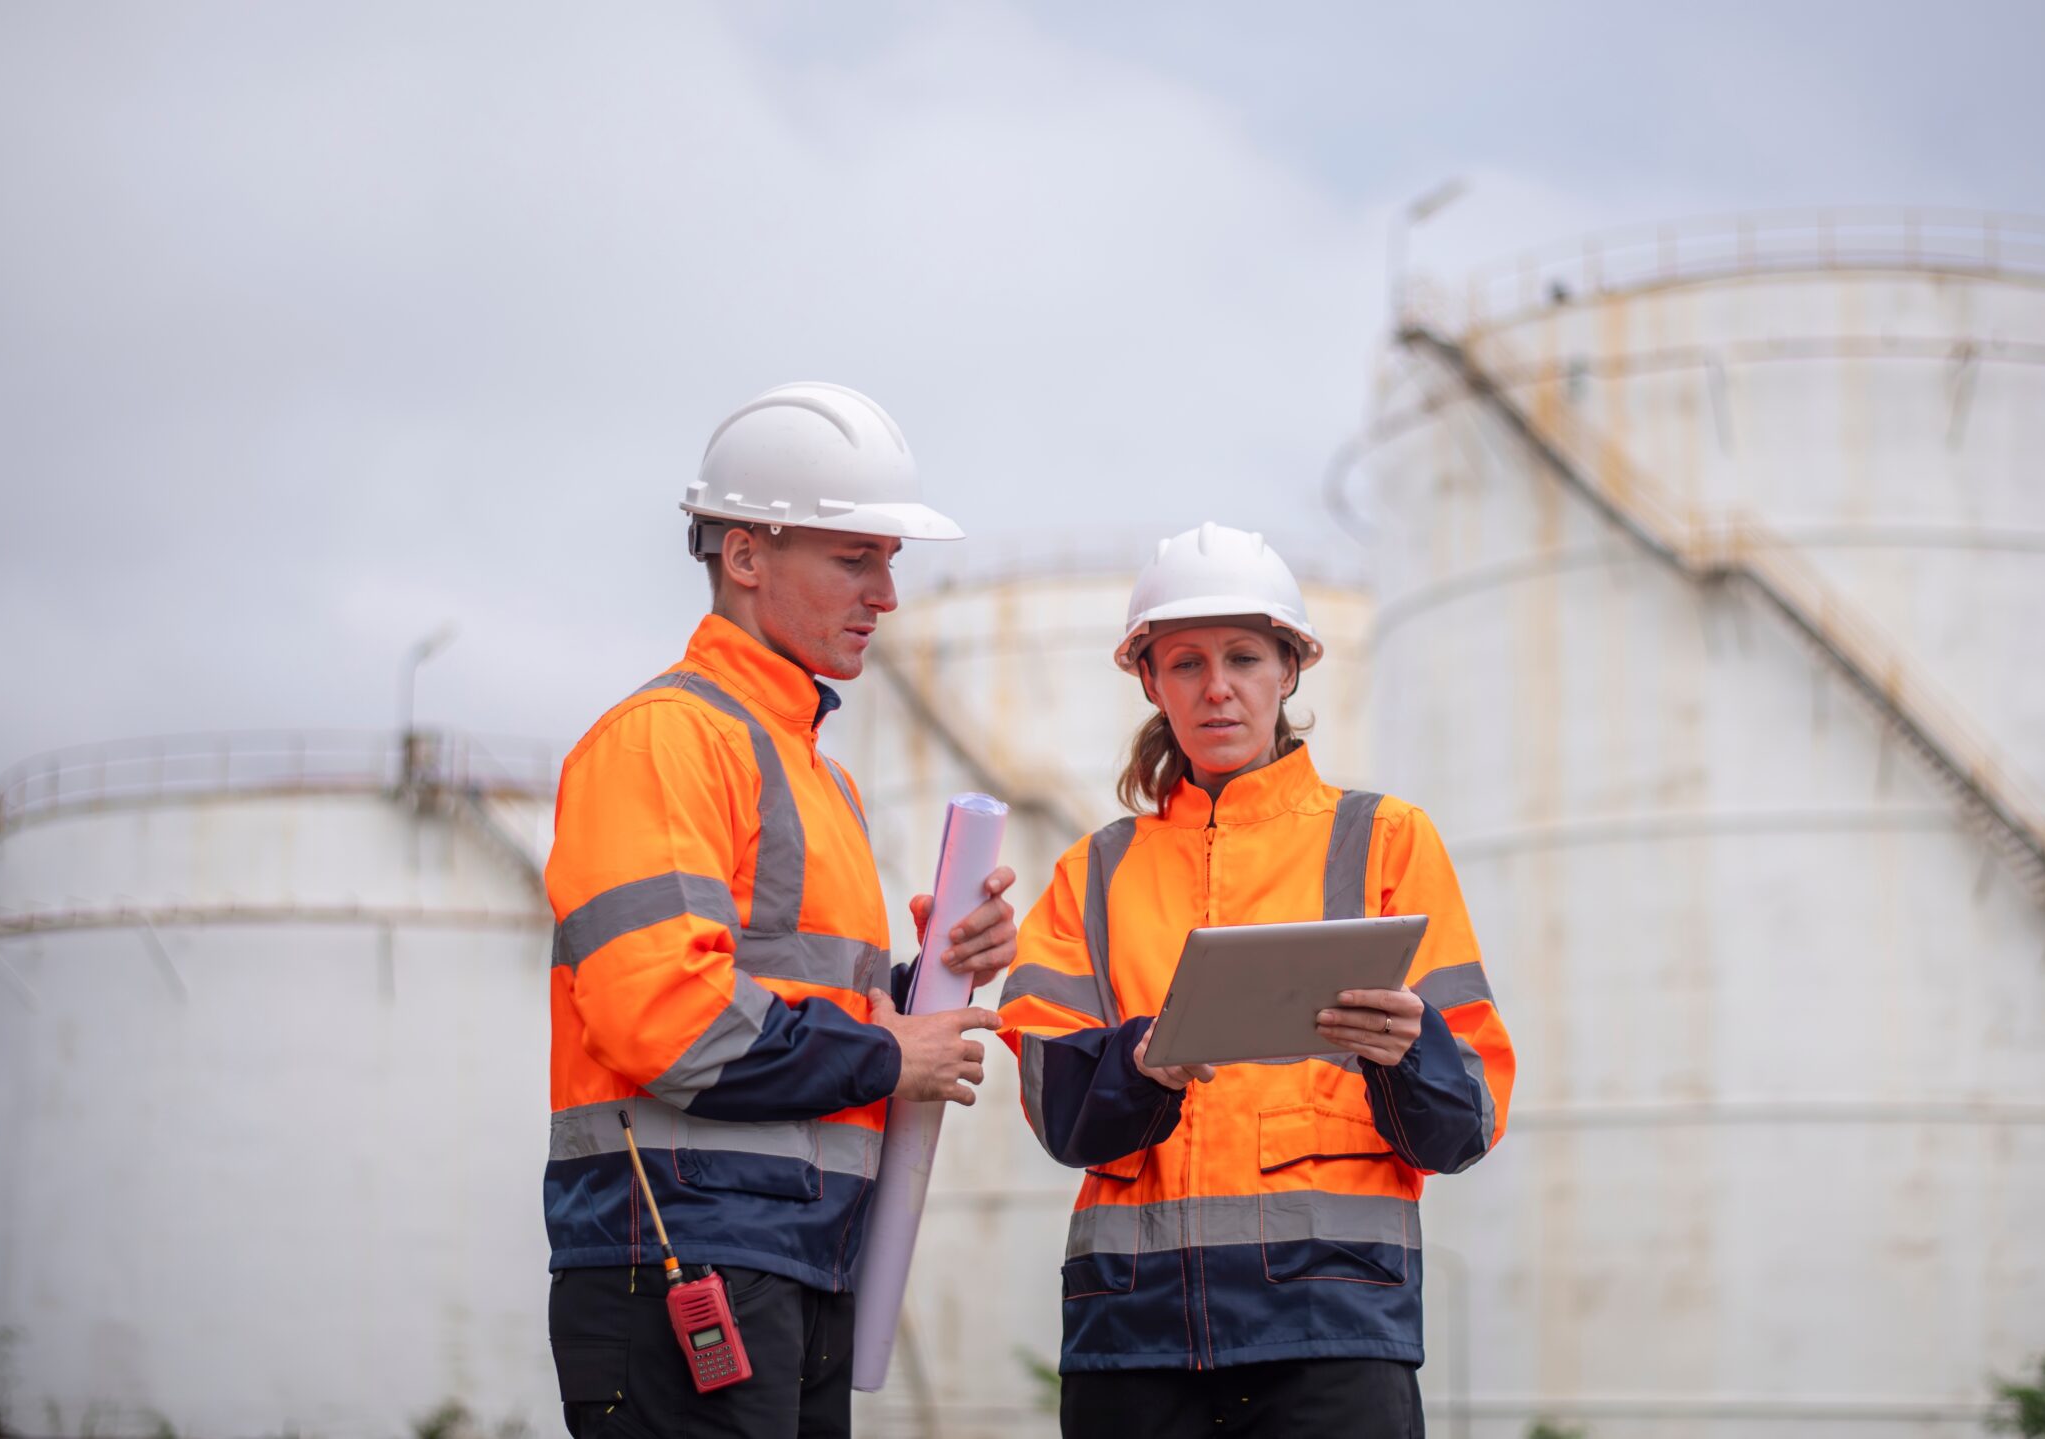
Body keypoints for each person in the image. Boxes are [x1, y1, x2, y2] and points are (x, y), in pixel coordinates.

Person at [543, 382, 1019, 1439]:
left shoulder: (818, 774)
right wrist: (896, 1050)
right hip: (681, 1252)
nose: (886, 594)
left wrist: (933, 982)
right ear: (746, 557)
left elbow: (799, 997)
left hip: (794, 1259)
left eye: (890, 560)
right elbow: (668, 1017)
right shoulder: (664, 740)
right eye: (857, 558)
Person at [997, 522, 1515, 1439]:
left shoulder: (1387, 840)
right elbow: (1055, 1106)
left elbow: (1466, 1117)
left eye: (1244, 656)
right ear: (1150, 682)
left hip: (1334, 1332)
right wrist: (1137, 1063)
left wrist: (1411, 1050)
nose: (1217, 687)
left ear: (1289, 670)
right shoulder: (1095, 873)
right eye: (1186, 663)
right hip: (1136, 1338)